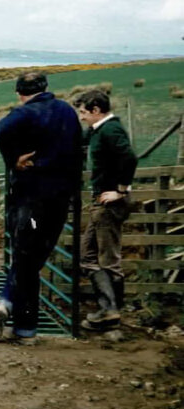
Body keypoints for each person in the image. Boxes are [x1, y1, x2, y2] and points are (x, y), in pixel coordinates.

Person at [0, 72, 83, 343]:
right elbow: (77, 146)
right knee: (33, 260)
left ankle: (9, 306)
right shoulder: (66, 111)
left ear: (19, 92)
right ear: (46, 88)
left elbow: (0, 128)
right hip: (60, 197)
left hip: (29, 195)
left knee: (24, 257)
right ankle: (23, 328)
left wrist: (13, 160)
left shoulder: (25, 113)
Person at [75, 90, 137, 330]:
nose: (81, 117)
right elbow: (80, 140)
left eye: (83, 112)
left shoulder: (111, 130)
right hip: (100, 202)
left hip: (109, 203)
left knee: (108, 259)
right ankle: (109, 309)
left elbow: (129, 158)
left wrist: (120, 191)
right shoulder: (97, 130)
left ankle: (112, 313)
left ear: (96, 110)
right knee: (88, 256)